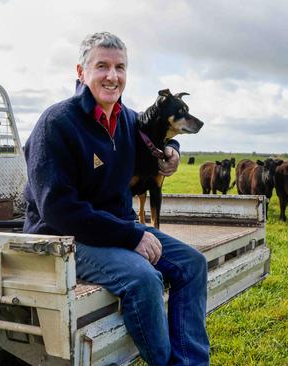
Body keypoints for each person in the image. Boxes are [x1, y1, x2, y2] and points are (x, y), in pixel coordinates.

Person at [23, 32, 210, 365]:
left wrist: (173, 151)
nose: (113, 76)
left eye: (120, 67)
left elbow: (157, 132)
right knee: (144, 279)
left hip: (113, 227)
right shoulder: (56, 124)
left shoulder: (126, 120)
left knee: (192, 265)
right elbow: (58, 210)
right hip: (62, 237)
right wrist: (131, 235)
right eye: (102, 66)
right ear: (81, 72)